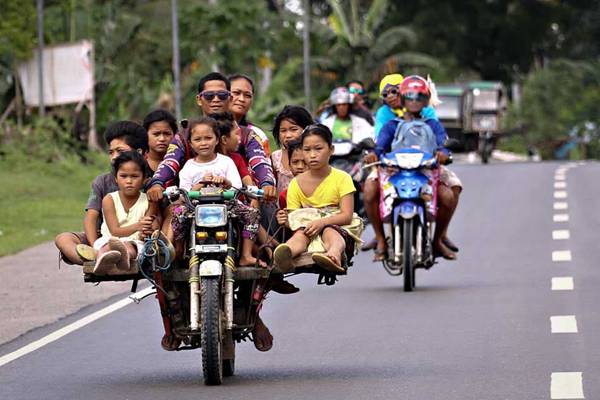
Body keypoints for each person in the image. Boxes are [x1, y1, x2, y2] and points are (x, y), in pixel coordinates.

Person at [364, 75, 462, 261]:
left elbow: (443, 142)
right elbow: (380, 145)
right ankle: (381, 239)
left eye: (419, 97)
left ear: (426, 100)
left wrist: (444, 152)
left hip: (426, 170)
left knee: (449, 196)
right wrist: (373, 153)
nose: (414, 101)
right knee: (368, 190)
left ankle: (437, 240)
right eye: (409, 97)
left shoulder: (431, 122)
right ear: (402, 98)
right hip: (394, 170)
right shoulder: (391, 124)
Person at [146, 72, 275, 202]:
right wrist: (157, 183)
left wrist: (267, 184)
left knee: (264, 218)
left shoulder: (248, 135)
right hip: (189, 206)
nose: (216, 99)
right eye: (209, 96)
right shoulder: (183, 136)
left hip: (237, 205)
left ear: (230, 99)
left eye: (222, 95)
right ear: (199, 100)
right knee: (169, 221)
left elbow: (260, 162)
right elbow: (170, 162)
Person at [54, 121, 149, 265]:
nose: (114, 157)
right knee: (63, 239)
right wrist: (95, 245)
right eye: (111, 152)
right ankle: (96, 257)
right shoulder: (102, 181)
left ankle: (114, 257)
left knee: (129, 247)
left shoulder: (148, 181)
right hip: (102, 236)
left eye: (120, 151)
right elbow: (91, 217)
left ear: (139, 152)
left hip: (134, 239)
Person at [273, 124, 363, 274]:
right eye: (307, 150)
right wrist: (285, 221)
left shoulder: (343, 178)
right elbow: (295, 219)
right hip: (308, 228)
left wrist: (322, 222)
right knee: (300, 235)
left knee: (330, 232)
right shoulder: (295, 183)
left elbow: (346, 216)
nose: (312, 155)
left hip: (336, 225)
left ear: (331, 150)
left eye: (318, 149)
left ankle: (333, 255)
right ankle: (286, 254)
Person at [92, 151, 158, 274]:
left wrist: (149, 229)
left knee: (131, 248)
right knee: (107, 246)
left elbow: (148, 228)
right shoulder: (109, 199)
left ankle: (124, 257)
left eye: (134, 176)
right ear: (116, 179)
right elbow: (115, 231)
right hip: (109, 239)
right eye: (123, 176)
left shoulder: (149, 201)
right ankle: (103, 260)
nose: (128, 181)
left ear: (144, 179)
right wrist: (138, 226)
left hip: (134, 242)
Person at [270, 105, 314, 196]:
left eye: (293, 129)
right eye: (283, 131)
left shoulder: (313, 155)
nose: (288, 135)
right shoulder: (275, 158)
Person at [229, 74, 271, 156]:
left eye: (247, 95)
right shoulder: (211, 130)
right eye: (236, 93)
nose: (242, 99)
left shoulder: (257, 134)